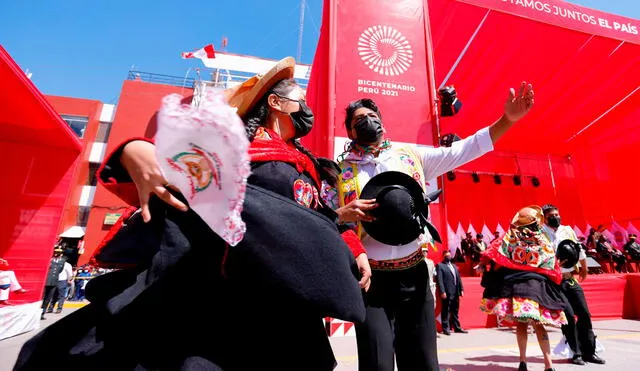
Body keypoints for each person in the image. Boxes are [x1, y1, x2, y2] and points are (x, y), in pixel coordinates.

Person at [15, 57, 366, 371]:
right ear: (276, 103)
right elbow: (169, 170)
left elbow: (323, 221)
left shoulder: (307, 167)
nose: (306, 107)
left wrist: (356, 250)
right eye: (300, 100)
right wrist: (133, 149)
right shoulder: (236, 150)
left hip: (289, 310)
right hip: (228, 308)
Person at [325, 82, 534, 371]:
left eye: (373, 117)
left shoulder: (411, 156)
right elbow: (324, 221)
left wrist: (507, 121)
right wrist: (342, 212)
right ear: (350, 131)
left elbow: (467, 148)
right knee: (377, 365)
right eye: (360, 120)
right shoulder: (339, 172)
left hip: (415, 275)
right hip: (371, 280)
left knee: (423, 363)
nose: (369, 122)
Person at [480, 206, 568, 371]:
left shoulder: (511, 238)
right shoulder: (542, 240)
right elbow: (552, 264)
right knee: (539, 324)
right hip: (537, 287)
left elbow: (494, 251)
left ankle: (522, 362)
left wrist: (484, 263)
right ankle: (548, 364)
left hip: (518, 286)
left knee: (521, 325)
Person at [541, 204, 605, 365]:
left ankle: (590, 352)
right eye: (551, 216)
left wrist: (584, 268)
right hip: (554, 281)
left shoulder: (567, 230)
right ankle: (576, 353)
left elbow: (578, 249)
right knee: (568, 316)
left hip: (570, 278)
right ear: (544, 218)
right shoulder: (540, 233)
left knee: (584, 314)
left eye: (557, 214)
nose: (555, 217)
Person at [436, 250, 467, 335]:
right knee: (446, 310)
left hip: (456, 292)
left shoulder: (454, 266)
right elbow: (440, 280)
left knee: (455, 310)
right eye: (446, 256)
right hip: (447, 292)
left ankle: (457, 327)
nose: (448, 257)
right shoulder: (440, 266)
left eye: (449, 256)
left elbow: (458, 278)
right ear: (443, 256)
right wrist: (442, 291)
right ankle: (446, 328)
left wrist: (461, 289)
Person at [40, 248, 66, 320]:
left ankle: (42, 313)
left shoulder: (62, 261)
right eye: (55, 252)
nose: (56, 254)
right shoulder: (49, 259)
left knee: (47, 299)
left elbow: (59, 271)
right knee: (41, 298)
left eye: (58, 252)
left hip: (54, 282)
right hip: (46, 281)